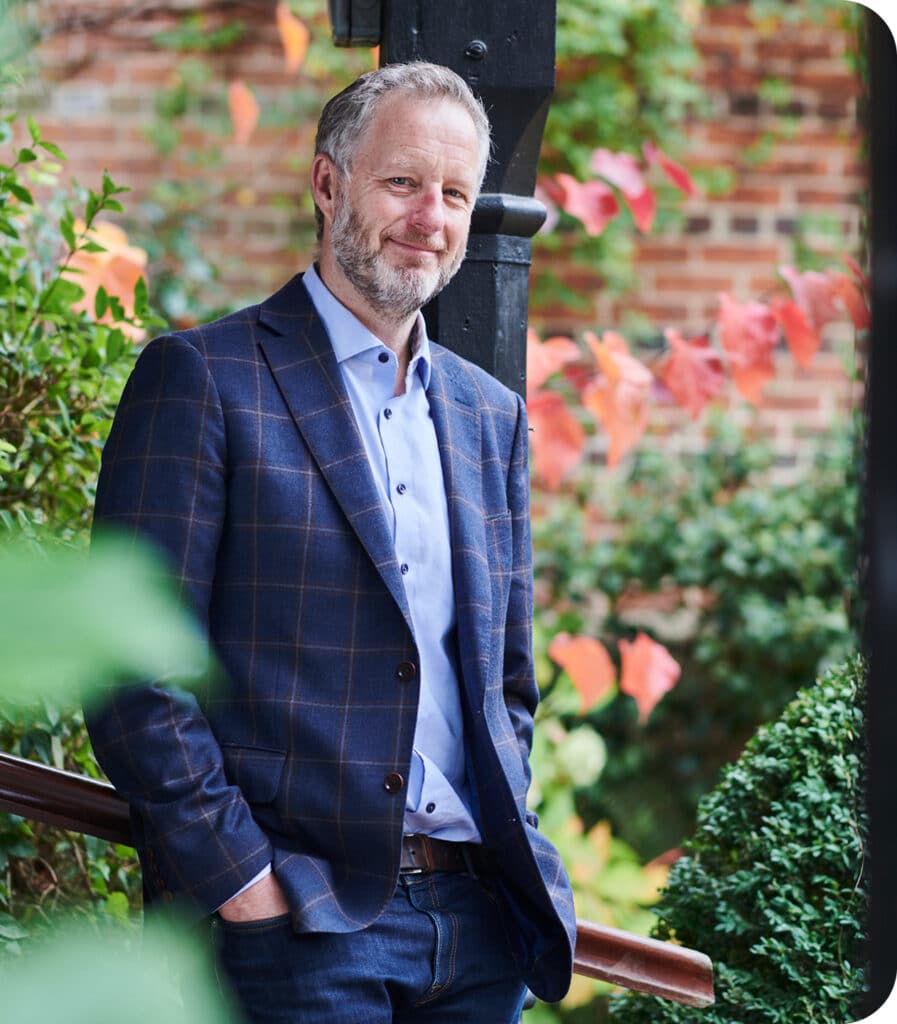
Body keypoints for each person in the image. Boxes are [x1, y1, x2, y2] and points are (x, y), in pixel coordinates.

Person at [86, 61, 575, 1022]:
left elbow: (504, 682)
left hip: (479, 927)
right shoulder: (204, 378)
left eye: (454, 194)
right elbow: (128, 666)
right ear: (326, 183)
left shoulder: (490, 415)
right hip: (298, 929)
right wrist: (243, 883)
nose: (429, 217)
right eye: (402, 182)